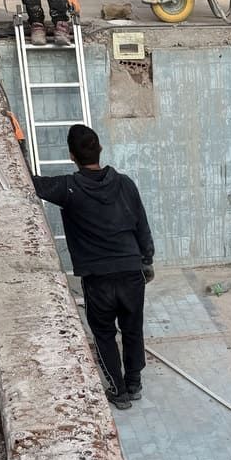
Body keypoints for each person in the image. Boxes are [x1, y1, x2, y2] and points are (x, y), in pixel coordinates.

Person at [33, 124, 154, 410]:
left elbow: (32, 183)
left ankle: (118, 390)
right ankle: (134, 383)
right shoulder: (125, 184)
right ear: (99, 149)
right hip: (131, 270)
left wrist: (21, 147)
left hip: (98, 278)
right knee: (132, 328)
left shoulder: (68, 188)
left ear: (71, 155)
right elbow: (142, 225)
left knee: (103, 333)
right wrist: (147, 260)